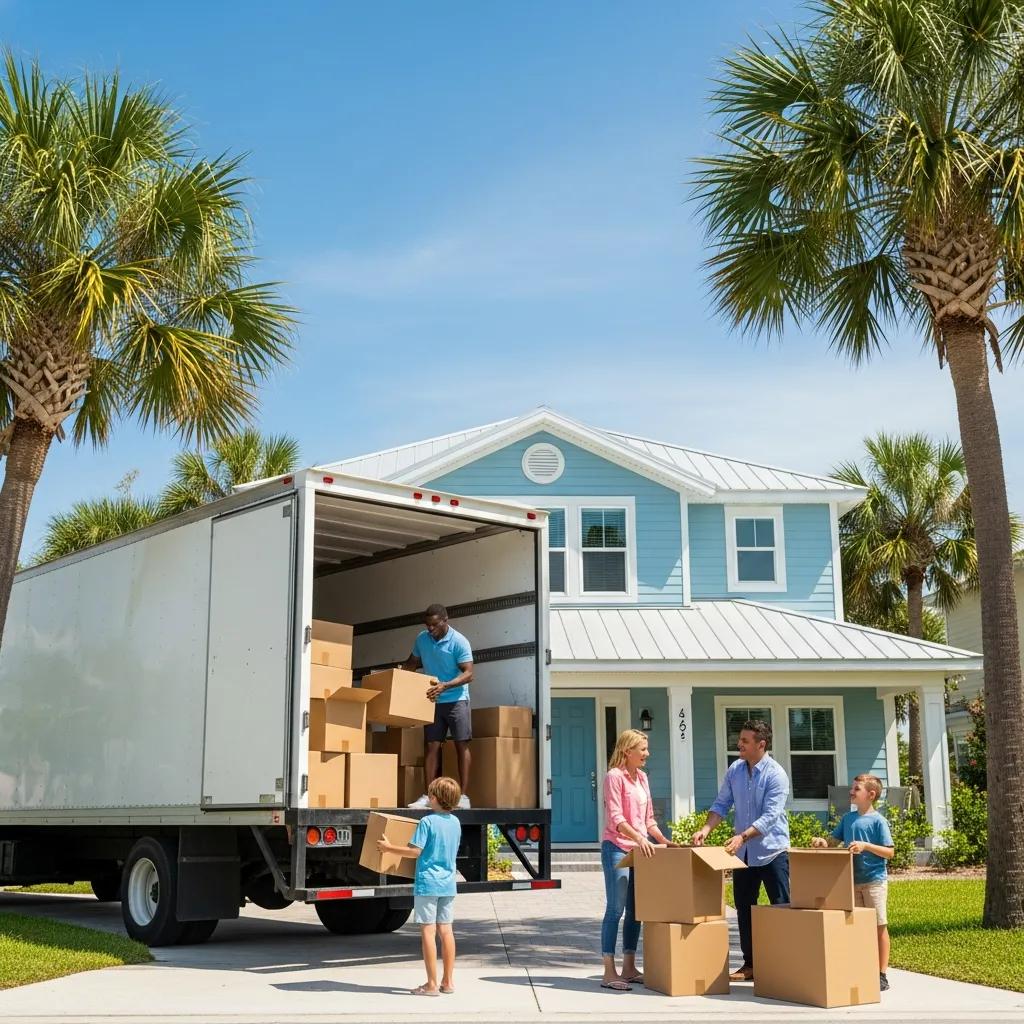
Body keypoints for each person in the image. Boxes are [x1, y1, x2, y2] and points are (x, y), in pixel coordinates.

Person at [692, 719, 789, 982]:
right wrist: (706, 829)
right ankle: (751, 965)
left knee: (782, 908)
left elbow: (770, 817)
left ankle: (785, 965)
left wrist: (742, 836)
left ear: (761, 744)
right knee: (745, 909)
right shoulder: (735, 769)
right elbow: (721, 803)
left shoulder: (776, 775)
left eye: (745, 741)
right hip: (744, 854)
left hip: (773, 852)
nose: (739, 745)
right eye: (740, 740)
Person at [600, 728, 675, 992]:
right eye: (642, 749)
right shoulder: (614, 777)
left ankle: (629, 967)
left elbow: (649, 819)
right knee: (615, 909)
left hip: (641, 850)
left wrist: (663, 841)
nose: (647, 753)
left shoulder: (642, 777)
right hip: (618, 848)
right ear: (627, 751)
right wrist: (640, 839)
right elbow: (617, 819)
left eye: (646, 748)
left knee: (636, 911)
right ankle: (609, 971)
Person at [377, 775, 463, 996]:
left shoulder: (427, 822)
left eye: (430, 795)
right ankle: (448, 982)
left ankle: (431, 985)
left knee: (427, 930)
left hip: (428, 882)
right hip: (448, 884)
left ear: (434, 798)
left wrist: (389, 848)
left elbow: (416, 851)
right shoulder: (455, 822)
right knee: (446, 930)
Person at [812, 773, 894, 991]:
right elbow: (832, 841)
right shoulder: (848, 819)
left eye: (856, 789)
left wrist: (866, 846)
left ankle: (882, 974)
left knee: (878, 927)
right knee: (858, 928)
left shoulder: (878, 821)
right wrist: (822, 842)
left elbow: (890, 852)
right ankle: (862, 967)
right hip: (851, 881)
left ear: (871, 794)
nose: (851, 791)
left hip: (874, 882)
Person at [403, 604, 474, 809]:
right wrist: (394, 678)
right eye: (427, 625)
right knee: (432, 745)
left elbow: (469, 673)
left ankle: (464, 797)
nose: (430, 629)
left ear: (445, 620)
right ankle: (428, 796)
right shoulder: (421, 639)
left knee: (461, 744)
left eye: (434, 625)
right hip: (433, 700)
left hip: (457, 699)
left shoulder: (459, 642)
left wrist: (445, 686)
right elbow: (411, 663)